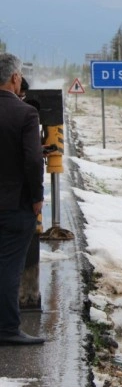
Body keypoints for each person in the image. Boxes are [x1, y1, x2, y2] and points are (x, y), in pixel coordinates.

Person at [0, 53, 45, 345]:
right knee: (8, 267)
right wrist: (38, 197)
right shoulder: (25, 113)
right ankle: (7, 329)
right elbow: (32, 160)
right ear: (15, 78)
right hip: (13, 205)